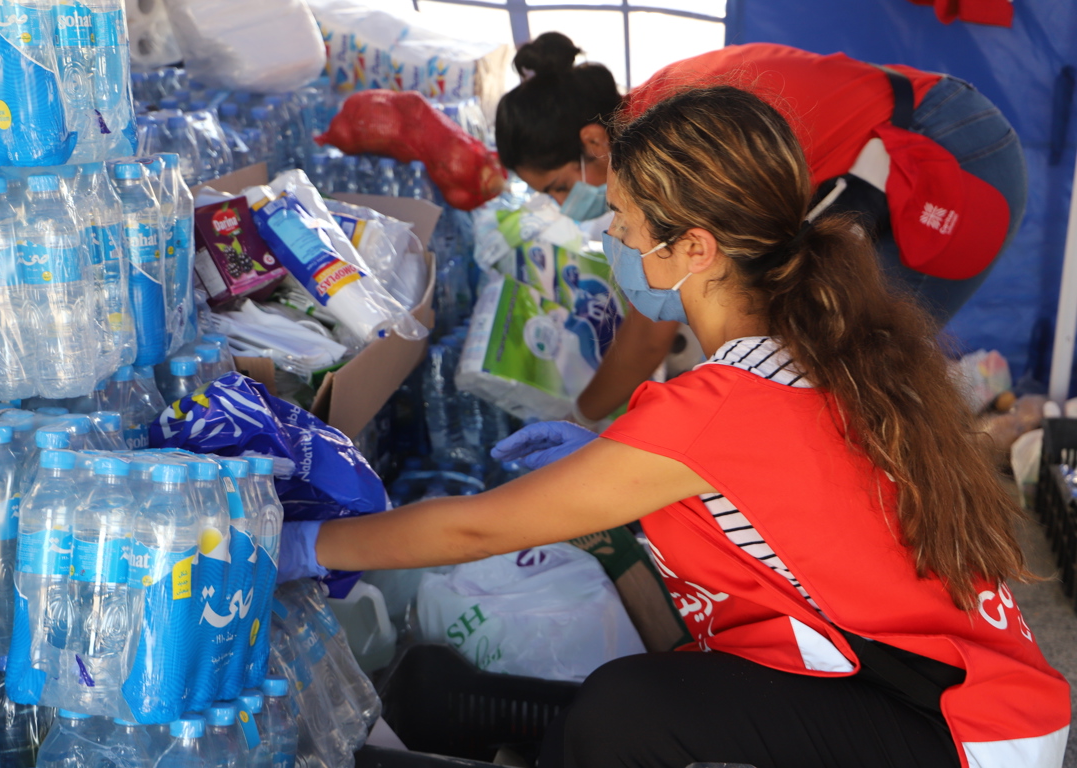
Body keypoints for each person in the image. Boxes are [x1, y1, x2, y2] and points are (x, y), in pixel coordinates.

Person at [279, 86, 1068, 768]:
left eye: (621, 218)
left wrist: (309, 546)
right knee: (661, 682)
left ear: (694, 247)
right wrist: (609, 469)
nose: (610, 237)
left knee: (629, 712)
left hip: (960, 730)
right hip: (967, 695)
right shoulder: (815, 350)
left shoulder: (721, 406)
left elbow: (470, 531)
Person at [495, 35, 1028, 426]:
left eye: (560, 187)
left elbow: (651, 330)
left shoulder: (667, 139)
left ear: (592, 142)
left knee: (863, 364)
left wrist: (580, 417)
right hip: (890, 148)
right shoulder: (647, 116)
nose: (568, 207)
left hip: (949, 154)